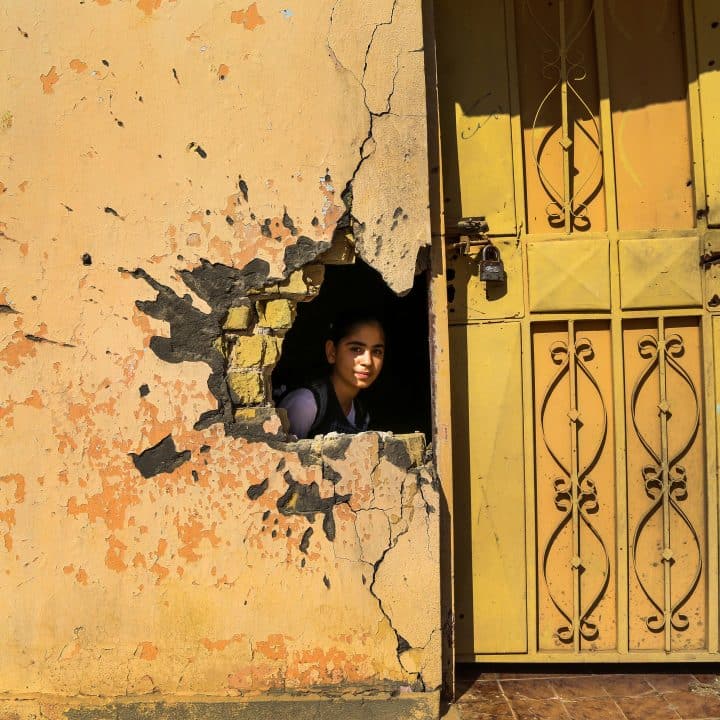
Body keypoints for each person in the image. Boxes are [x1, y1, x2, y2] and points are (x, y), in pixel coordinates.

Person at [279, 310, 385, 439]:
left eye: (377, 351)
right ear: (332, 352)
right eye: (356, 349)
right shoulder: (305, 404)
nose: (368, 361)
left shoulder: (361, 414)